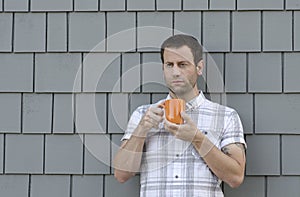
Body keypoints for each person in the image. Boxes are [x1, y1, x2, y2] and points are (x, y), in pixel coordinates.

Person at [113, 34, 246, 197]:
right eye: (169, 65)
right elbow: (121, 174)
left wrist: (197, 138)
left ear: (199, 67)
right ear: (163, 68)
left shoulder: (225, 116)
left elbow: (236, 177)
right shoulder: (143, 114)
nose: (175, 72)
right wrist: (142, 129)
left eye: (182, 64)